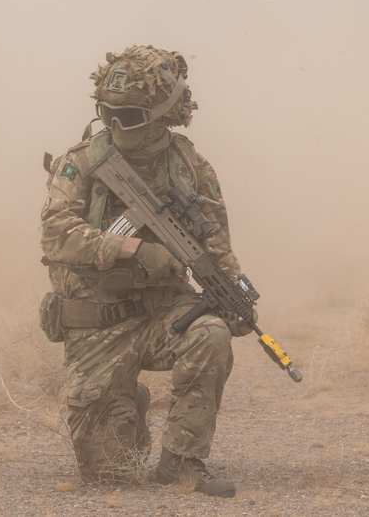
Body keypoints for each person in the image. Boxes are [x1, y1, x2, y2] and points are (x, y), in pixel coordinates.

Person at [39, 45, 251, 497]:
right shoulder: (81, 162)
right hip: (98, 324)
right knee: (111, 477)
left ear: (161, 116)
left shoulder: (191, 167)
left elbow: (216, 247)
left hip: (163, 316)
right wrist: (130, 248)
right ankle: (123, 401)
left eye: (130, 116)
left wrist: (235, 296)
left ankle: (183, 460)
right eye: (107, 113)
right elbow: (56, 234)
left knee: (211, 332)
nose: (116, 126)